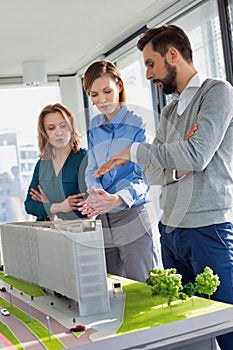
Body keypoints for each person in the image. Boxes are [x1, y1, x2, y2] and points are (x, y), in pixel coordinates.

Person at [94, 25, 233, 350]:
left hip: (207, 228)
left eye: (150, 63)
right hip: (170, 231)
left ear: (173, 55)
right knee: (185, 331)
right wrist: (177, 162)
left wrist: (137, 152)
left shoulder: (218, 92)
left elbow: (195, 155)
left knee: (227, 328)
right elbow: (154, 173)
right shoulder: (170, 110)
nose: (147, 75)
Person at [78, 60, 158, 283]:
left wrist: (117, 198)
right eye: (93, 95)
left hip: (132, 212)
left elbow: (145, 175)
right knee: (113, 284)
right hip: (104, 217)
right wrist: (96, 194)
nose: (101, 100)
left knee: (141, 283)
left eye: (106, 91)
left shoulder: (138, 122)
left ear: (119, 86)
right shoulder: (94, 126)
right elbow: (92, 169)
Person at [24, 103, 87, 221]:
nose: (58, 133)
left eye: (63, 126)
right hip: (46, 234)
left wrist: (47, 208)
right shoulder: (42, 163)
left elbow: (82, 209)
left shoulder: (84, 159)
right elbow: (29, 205)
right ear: (45, 133)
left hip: (74, 233)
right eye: (51, 128)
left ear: (71, 127)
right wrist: (59, 207)